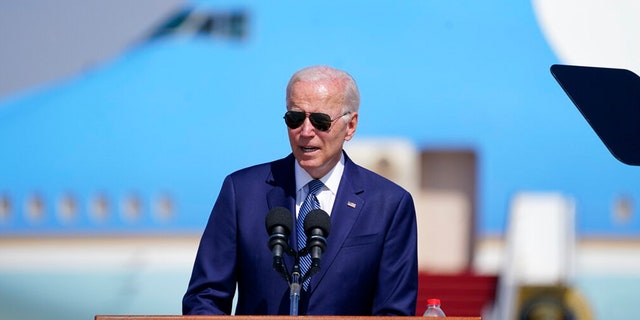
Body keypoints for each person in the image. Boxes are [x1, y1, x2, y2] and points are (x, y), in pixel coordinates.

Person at [182, 65, 418, 315]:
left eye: (320, 121)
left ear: (350, 126)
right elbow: (204, 298)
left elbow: (394, 313)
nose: (306, 132)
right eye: (295, 118)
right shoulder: (241, 192)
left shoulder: (389, 204)